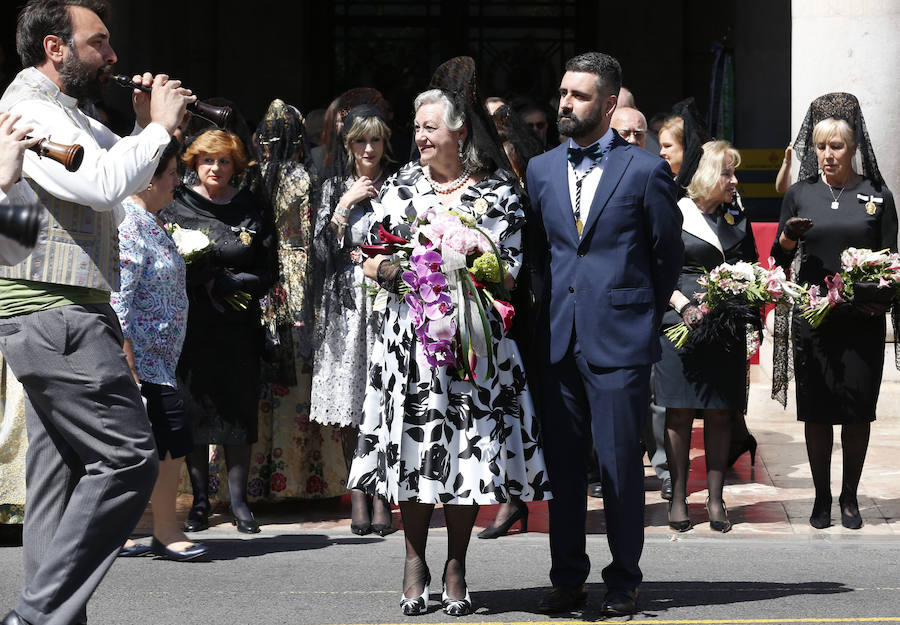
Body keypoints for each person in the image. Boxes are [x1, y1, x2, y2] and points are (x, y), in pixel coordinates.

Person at [0, 1, 193, 622]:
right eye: (99, 43)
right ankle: (35, 616)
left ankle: (53, 618)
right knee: (128, 458)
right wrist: (157, 129)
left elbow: (137, 168)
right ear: (57, 48)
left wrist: (149, 125)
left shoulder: (68, 111)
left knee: (57, 484)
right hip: (58, 314)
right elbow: (106, 183)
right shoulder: (31, 108)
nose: (113, 57)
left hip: (63, 312)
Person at [348, 60, 551, 617]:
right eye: (416, 128)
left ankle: (457, 563)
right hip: (409, 343)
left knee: (468, 453)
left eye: (430, 128)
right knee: (412, 448)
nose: (419, 137)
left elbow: (511, 270)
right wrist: (403, 272)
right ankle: (415, 560)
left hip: (474, 346)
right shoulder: (399, 187)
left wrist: (467, 262)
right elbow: (369, 255)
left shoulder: (496, 192)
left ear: (459, 133)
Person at [525, 52, 682, 617]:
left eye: (580, 95)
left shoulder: (644, 170)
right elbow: (539, 258)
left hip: (619, 339)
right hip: (558, 341)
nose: (565, 103)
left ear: (610, 104)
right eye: (563, 93)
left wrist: (637, 313)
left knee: (619, 469)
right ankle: (567, 579)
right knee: (564, 472)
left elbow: (666, 257)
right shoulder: (540, 170)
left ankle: (624, 581)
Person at [771, 92, 897, 530]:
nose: (826, 155)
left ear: (854, 147)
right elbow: (779, 259)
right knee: (818, 411)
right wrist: (788, 237)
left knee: (858, 411)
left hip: (861, 321)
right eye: (820, 146)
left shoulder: (876, 193)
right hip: (815, 320)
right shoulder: (800, 194)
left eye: (836, 146)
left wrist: (877, 297)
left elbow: (891, 262)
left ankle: (849, 498)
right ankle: (822, 498)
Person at [163, 129, 273, 535]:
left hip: (238, 326)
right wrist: (200, 278)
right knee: (195, 412)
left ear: (235, 166)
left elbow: (269, 269)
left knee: (238, 411)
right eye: (208, 160)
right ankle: (200, 502)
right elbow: (165, 266)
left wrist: (237, 282)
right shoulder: (177, 205)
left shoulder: (251, 207)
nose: (216, 168)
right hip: (193, 326)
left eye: (224, 161)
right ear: (194, 162)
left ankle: (240, 503)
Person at [111, 138, 208, 561]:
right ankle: (165, 532)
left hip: (160, 361)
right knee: (169, 441)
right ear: (148, 180)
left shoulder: (149, 219)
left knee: (165, 442)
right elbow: (121, 297)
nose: (177, 183)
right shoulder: (131, 223)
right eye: (171, 175)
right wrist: (128, 363)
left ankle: (133, 532)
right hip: (144, 362)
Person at [657, 140, 757, 534]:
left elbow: (750, 266)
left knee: (720, 411)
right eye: (727, 172)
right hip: (678, 321)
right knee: (678, 412)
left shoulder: (737, 216)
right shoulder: (674, 213)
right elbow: (655, 267)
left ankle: (716, 499)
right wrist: (682, 304)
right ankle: (679, 498)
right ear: (706, 175)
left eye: (735, 172)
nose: (734, 180)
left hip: (725, 326)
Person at [250, 100, 347, 504]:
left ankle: (259, 482)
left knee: (268, 383)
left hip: (267, 284)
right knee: (299, 383)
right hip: (298, 283)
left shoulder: (254, 180)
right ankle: (307, 480)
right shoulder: (309, 179)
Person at [310, 105, 394, 535]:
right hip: (344, 306)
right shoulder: (331, 187)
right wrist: (345, 203)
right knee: (352, 405)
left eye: (375, 140)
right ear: (348, 145)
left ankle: (384, 496)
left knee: (381, 402)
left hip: (385, 300)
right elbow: (321, 255)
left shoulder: (398, 184)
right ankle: (358, 494)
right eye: (360, 140)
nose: (368, 148)